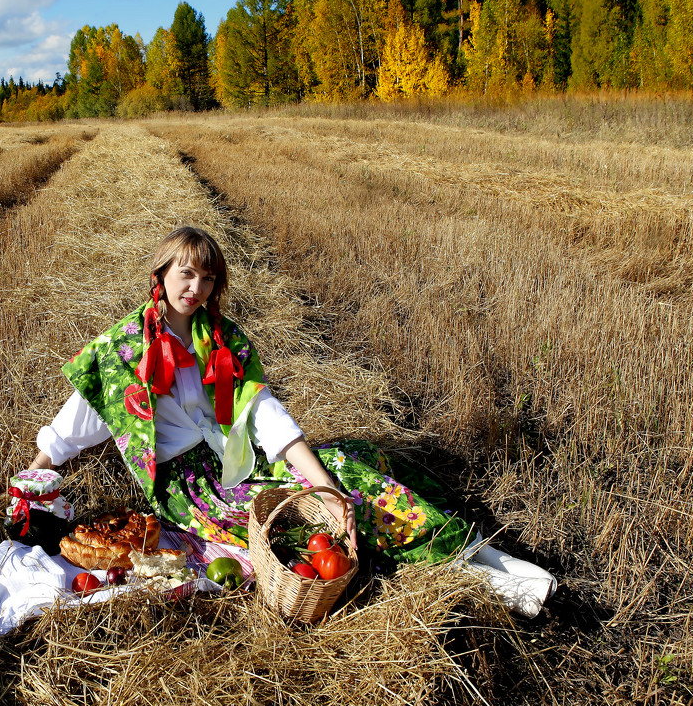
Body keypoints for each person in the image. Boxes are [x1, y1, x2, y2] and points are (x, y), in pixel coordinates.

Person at [28, 226, 475, 565]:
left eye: (207, 278)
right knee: (295, 513)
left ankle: (467, 544)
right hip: (191, 490)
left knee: (344, 471)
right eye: (185, 274)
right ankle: (465, 558)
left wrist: (323, 484)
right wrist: (29, 488)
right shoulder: (121, 351)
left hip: (237, 459)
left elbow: (264, 413)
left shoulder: (222, 340)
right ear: (161, 272)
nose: (195, 289)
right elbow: (69, 430)